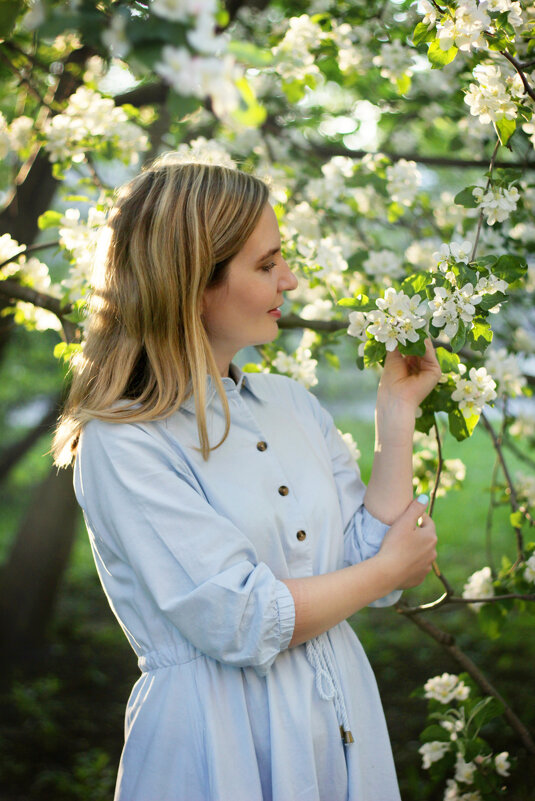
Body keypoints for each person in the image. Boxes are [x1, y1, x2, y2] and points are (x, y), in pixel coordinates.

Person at [53, 155, 439, 801]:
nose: (288, 279)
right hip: (217, 741)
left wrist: (395, 415)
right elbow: (242, 618)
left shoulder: (290, 402)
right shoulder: (124, 440)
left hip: (339, 717)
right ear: (192, 284)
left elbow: (365, 564)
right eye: (265, 265)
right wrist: (386, 570)